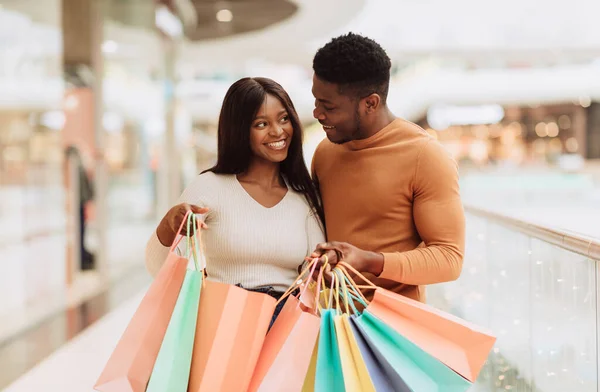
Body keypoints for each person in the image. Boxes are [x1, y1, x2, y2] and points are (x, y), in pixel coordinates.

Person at [145, 77, 325, 325]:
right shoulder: (210, 187)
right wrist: (169, 225)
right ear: (240, 130)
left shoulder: (304, 196)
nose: (277, 131)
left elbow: (317, 279)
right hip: (224, 324)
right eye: (261, 124)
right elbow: (157, 267)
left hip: (286, 329)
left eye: (284, 119)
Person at [309, 33, 465, 303]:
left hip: (394, 330)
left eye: (328, 106)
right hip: (331, 321)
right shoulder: (325, 151)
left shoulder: (425, 156)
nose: (317, 114)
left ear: (370, 103)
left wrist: (371, 261)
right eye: (316, 101)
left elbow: (449, 258)